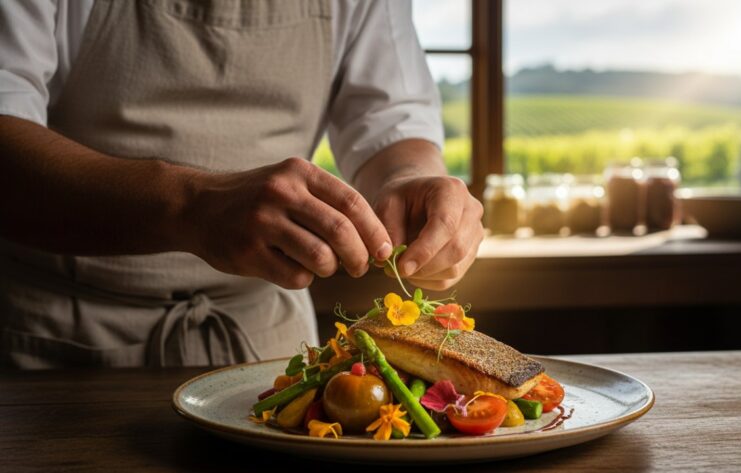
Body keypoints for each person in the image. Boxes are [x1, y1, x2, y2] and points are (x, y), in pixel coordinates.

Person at [0, 0, 484, 368]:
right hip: (57, 345)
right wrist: (191, 207)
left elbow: (391, 123)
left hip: (265, 346)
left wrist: (411, 179)